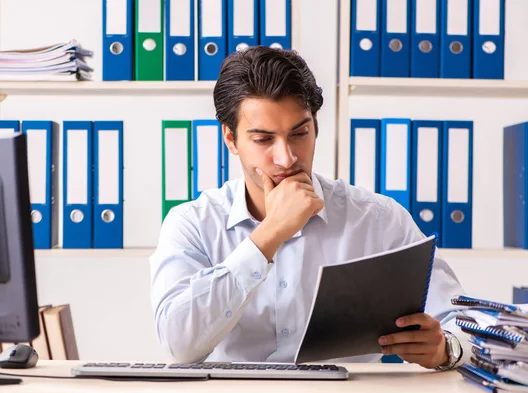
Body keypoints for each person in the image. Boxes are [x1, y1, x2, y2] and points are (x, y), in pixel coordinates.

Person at [150, 46, 469, 370]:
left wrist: (446, 349)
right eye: (263, 140)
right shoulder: (192, 224)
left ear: (315, 126)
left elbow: (463, 322)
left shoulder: (378, 219)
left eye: (299, 133)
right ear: (231, 139)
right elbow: (178, 346)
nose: (286, 158)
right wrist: (270, 235)